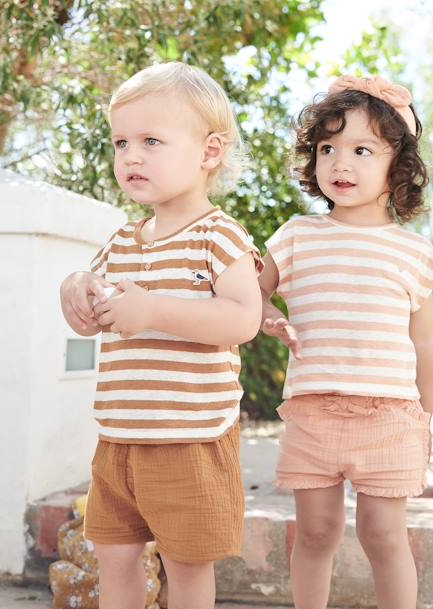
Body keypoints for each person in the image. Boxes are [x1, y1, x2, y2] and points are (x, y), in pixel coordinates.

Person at [60, 61, 263, 609]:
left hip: (191, 436)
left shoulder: (220, 235)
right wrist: (76, 287)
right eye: (121, 141)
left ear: (209, 152)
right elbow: (93, 297)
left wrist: (153, 310)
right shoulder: (123, 240)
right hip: (120, 435)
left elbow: (244, 318)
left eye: (151, 140)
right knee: (114, 555)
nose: (131, 155)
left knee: (187, 566)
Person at [259, 75, 433, 609]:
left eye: (362, 149)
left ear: (396, 165)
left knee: (384, 536)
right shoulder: (294, 236)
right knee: (314, 533)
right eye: (327, 148)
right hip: (313, 412)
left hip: (391, 417)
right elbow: (248, 297)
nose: (340, 163)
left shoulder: (415, 253)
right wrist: (265, 312)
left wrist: (428, 421)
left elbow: (425, 347)